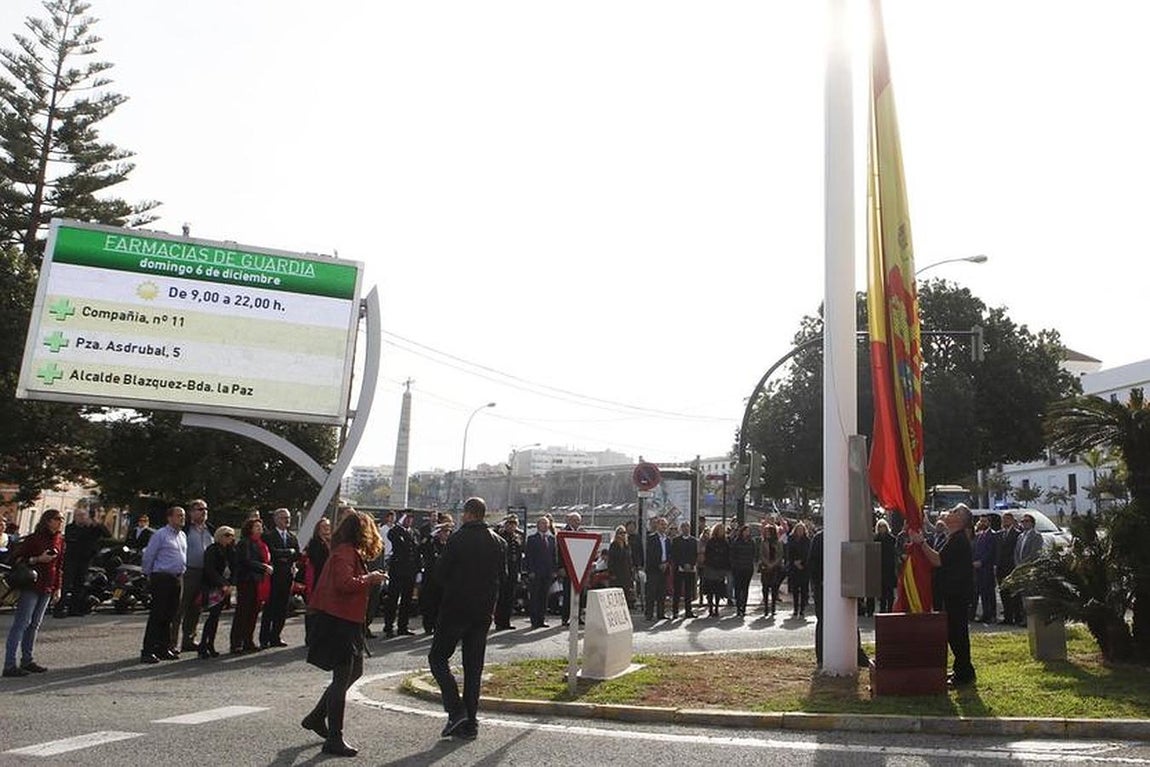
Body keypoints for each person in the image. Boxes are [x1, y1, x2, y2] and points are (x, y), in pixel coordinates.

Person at [302, 511, 388, 757]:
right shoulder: (344, 553)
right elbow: (345, 584)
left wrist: (368, 578)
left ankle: (317, 717)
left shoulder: (347, 551)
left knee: (355, 671)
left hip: (347, 620)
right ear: (361, 531)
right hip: (339, 621)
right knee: (342, 679)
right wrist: (370, 578)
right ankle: (334, 737)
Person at [428, 497, 506, 741]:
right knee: (474, 669)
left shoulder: (457, 539)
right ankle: (470, 724)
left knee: (438, 658)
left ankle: (456, 709)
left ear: (469, 514)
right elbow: (502, 576)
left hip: (456, 608)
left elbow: (440, 574)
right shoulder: (499, 542)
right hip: (483, 611)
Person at [916, 503, 976, 687]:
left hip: (956, 593)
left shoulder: (958, 539)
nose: (949, 513)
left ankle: (964, 673)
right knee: (954, 633)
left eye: (954, 511)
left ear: (961, 519)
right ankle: (961, 669)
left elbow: (937, 560)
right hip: (952, 592)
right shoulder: (954, 537)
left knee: (957, 633)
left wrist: (921, 543)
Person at [4, 509, 64, 677]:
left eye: (61, 519)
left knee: (35, 624)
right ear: (47, 521)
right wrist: (37, 559)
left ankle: (27, 660)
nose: (60, 522)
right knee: (22, 623)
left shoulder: (60, 540)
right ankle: (9, 664)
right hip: (31, 584)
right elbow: (16, 559)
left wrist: (57, 588)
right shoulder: (33, 539)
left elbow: (59, 567)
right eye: (57, 519)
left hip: (47, 585)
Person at [139, 506, 187, 664]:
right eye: (179, 515)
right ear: (170, 518)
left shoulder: (182, 535)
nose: (182, 518)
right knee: (157, 614)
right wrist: (147, 575)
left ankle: (163, 647)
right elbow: (149, 555)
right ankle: (148, 650)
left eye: (183, 515)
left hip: (177, 578)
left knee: (170, 615)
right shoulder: (160, 535)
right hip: (162, 577)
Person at [177, 499, 214, 653]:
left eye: (205, 509)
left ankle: (189, 640)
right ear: (191, 512)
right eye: (199, 509)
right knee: (180, 608)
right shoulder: (185, 529)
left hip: (204, 573)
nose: (204, 511)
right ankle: (172, 642)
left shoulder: (210, 530)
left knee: (196, 608)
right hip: (188, 572)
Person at [57, 506, 109, 617]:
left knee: (79, 585)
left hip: (85, 560)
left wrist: (95, 522)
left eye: (83, 515)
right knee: (67, 584)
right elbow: (75, 539)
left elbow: (107, 534)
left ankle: (74, 608)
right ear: (75, 517)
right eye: (79, 516)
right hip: (72, 559)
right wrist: (86, 527)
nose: (81, 518)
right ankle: (60, 608)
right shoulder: (71, 528)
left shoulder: (92, 528)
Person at [231, 517, 272, 654]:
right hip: (247, 581)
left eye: (261, 527)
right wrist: (263, 567)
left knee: (254, 611)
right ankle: (237, 642)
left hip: (258, 581)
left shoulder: (261, 543)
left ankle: (248, 640)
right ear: (249, 529)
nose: (260, 529)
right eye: (256, 527)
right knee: (243, 611)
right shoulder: (245, 543)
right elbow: (246, 561)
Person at [260, 508, 299, 649]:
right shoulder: (268, 536)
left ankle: (276, 636)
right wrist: (288, 552)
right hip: (273, 577)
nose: (286, 520)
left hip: (286, 577)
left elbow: (297, 555)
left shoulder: (291, 537)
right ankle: (264, 638)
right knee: (269, 609)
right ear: (276, 519)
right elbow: (272, 553)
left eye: (288, 518)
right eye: (283, 518)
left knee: (282, 609)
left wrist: (287, 555)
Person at [198, 525, 237, 659]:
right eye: (227, 535)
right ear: (219, 536)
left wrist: (231, 584)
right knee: (212, 616)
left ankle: (211, 644)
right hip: (213, 587)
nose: (230, 538)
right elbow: (210, 570)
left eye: (232, 536)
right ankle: (204, 644)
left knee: (216, 616)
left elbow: (234, 568)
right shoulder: (212, 550)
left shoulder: (231, 551)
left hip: (225, 586)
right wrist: (222, 584)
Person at [383, 512, 419, 638]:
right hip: (398, 570)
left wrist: (418, 570)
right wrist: (399, 524)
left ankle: (403, 626)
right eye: (406, 518)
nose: (409, 520)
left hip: (410, 571)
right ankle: (388, 627)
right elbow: (391, 535)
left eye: (410, 518)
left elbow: (416, 551)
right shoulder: (396, 531)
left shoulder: (414, 533)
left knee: (406, 600)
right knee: (393, 599)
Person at [418, 519, 453, 634]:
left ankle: (439, 626)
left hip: (443, 580)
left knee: (441, 604)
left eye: (448, 532)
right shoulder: (432, 543)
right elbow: (421, 547)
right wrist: (430, 535)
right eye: (444, 532)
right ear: (439, 533)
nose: (446, 534)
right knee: (430, 604)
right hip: (431, 579)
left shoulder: (449, 545)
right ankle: (428, 626)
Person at [524, 517, 556, 629]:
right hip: (536, 573)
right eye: (542, 523)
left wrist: (554, 570)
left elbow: (553, 556)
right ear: (538, 525)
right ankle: (534, 620)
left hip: (547, 573)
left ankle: (541, 619)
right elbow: (529, 557)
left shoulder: (551, 539)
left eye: (546, 524)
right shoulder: (532, 539)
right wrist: (530, 571)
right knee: (535, 597)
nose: (545, 525)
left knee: (544, 597)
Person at [493, 516, 524, 630]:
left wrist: (519, 571)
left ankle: (506, 621)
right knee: (502, 597)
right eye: (509, 524)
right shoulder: (501, 536)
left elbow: (519, 556)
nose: (511, 526)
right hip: (503, 570)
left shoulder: (517, 537)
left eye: (514, 524)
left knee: (510, 597)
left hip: (513, 570)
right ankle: (499, 621)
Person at [995, 511, 1022, 625]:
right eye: (1003, 519)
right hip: (1001, 568)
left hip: (1011, 567)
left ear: (1011, 520)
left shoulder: (1017, 534)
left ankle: (1017, 617)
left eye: (1006, 519)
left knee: (1014, 594)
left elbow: (1017, 551)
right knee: (1003, 593)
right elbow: (997, 551)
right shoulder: (999, 534)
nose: (1004, 521)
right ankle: (1008, 617)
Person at [644, 516, 671, 622]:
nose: (663, 526)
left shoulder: (667, 539)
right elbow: (650, 554)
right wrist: (658, 564)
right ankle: (649, 614)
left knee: (662, 593)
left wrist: (666, 563)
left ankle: (661, 613)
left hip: (664, 568)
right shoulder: (652, 538)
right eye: (661, 524)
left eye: (665, 525)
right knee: (651, 592)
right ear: (657, 525)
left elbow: (669, 553)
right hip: (654, 569)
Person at [669, 521, 698, 619]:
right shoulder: (676, 540)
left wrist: (691, 564)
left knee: (688, 591)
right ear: (681, 529)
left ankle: (688, 611)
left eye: (687, 527)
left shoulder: (694, 540)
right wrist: (682, 564)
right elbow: (674, 554)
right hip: (679, 569)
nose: (686, 529)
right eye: (684, 527)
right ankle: (675, 612)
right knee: (677, 591)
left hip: (690, 569)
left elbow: (695, 554)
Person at [972, 516, 998, 623]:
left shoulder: (992, 535)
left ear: (989, 523)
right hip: (978, 569)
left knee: (989, 593)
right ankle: (985, 614)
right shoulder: (979, 535)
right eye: (981, 521)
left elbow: (990, 551)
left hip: (987, 568)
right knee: (982, 593)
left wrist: (981, 562)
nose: (982, 523)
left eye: (984, 521)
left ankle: (991, 615)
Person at [702, 522, 730, 617]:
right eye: (720, 529)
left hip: (720, 568)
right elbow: (707, 554)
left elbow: (727, 555)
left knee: (718, 589)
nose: (722, 532)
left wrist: (725, 567)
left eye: (723, 530)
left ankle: (717, 608)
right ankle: (710, 607)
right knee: (710, 589)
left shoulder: (725, 542)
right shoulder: (711, 541)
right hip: (711, 568)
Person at [871, 519, 898, 615]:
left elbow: (895, 553)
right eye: (880, 527)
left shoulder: (892, 539)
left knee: (890, 591)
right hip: (879, 567)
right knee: (881, 591)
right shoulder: (875, 538)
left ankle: (890, 609)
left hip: (889, 568)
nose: (882, 529)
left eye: (883, 527)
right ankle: (882, 609)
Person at [729, 524, 757, 617]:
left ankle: (743, 607)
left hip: (748, 568)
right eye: (745, 531)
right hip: (738, 568)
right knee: (738, 588)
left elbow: (754, 554)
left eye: (748, 531)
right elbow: (732, 555)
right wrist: (734, 566)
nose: (747, 533)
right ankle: (738, 607)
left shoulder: (751, 542)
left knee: (745, 588)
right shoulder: (736, 542)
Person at [759, 522, 784, 617]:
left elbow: (780, 555)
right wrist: (767, 563)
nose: (766, 533)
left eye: (768, 531)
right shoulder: (763, 542)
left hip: (775, 568)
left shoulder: (778, 543)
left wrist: (773, 564)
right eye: (765, 532)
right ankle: (766, 607)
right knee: (765, 587)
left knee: (774, 588)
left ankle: (773, 607)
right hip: (765, 567)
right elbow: (761, 555)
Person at [607, 525, 636, 609]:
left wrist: (632, 573)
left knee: (626, 593)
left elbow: (630, 560)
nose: (622, 535)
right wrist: (611, 573)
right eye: (620, 533)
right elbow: (611, 560)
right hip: (617, 574)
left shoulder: (627, 545)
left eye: (624, 533)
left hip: (626, 573)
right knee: (616, 593)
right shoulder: (614, 545)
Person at [786, 522, 811, 618]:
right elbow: (788, 552)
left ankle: (802, 609)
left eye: (802, 529)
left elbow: (808, 553)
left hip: (804, 568)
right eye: (798, 529)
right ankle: (795, 608)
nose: (800, 531)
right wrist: (794, 562)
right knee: (795, 590)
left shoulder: (807, 540)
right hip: (794, 567)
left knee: (804, 590)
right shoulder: (791, 539)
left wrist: (802, 563)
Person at [306, 517, 333, 600]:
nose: (326, 528)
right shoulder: (314, 543)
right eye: (323, 526)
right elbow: (316, 559)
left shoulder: (333, 542)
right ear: (318, 529)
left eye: (328, 525)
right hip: (319, 574)